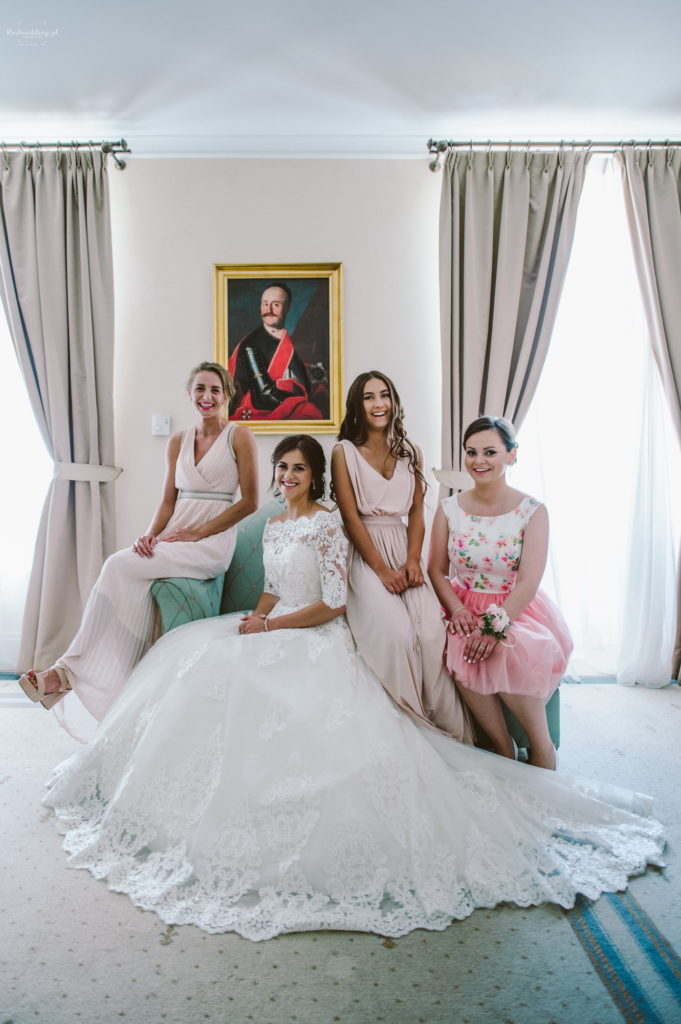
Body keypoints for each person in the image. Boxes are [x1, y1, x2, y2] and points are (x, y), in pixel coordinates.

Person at [43, 435, 664, 941]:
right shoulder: (277, 527)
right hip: (275, 623)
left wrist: (273, 626)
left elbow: (334, 603)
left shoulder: (327, 526)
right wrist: (255, 618)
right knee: (197, 661)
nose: (288, 476)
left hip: (315, 633)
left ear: (315, 477)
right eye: (282, 467)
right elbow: (273, 589)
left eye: (298, 468)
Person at [18, 361, 258, 741]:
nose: (207, 396)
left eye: (215, 389)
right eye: (200, 388)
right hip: (176, 534)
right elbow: (167, 502)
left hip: (211, 544)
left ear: (226, 395)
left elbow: (250, 502)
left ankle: (63, 674)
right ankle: (97, 679)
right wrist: (148, 537)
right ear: (189, 394)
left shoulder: (238, 437)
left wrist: (199, 533)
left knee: (116, 566)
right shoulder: (177, 441)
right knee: (126, 573)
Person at [331, 371, 471, 741]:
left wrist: (412, 561)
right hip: (366, 553)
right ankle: (413, 728)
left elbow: (417, 512)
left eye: (384, 395)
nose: (378, 404)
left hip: (405, 548)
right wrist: (381, 569)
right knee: (396, 635)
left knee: (430, 632)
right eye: (369, 397)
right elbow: (350, 517)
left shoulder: (412, 452)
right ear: (358, 405)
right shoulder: (343, 453)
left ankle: (448, 730)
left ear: (393, 402)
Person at [427, 415, 572, 770]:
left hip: (514, 606)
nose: (479, 461)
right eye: (471, 452)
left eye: (490, 452)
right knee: (459, 645)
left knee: (512, 647)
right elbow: (436, 570)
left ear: (511, 455)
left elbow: (528, 582)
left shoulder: (533, 511)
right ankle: (503, 748)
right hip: (463, 602)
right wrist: (458, 610)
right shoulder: (449, 509)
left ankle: (542, 748)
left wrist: (493, 628)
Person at [228, 282, 325, 420]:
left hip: (278, 402)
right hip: (256, 410)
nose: (269, 309)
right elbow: (263, 396)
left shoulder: (284, 341)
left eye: (276, 305)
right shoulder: (251, 345)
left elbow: (304, 383)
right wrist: (298, 401)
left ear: (287, 308)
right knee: (310, 412)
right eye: (265, 304)